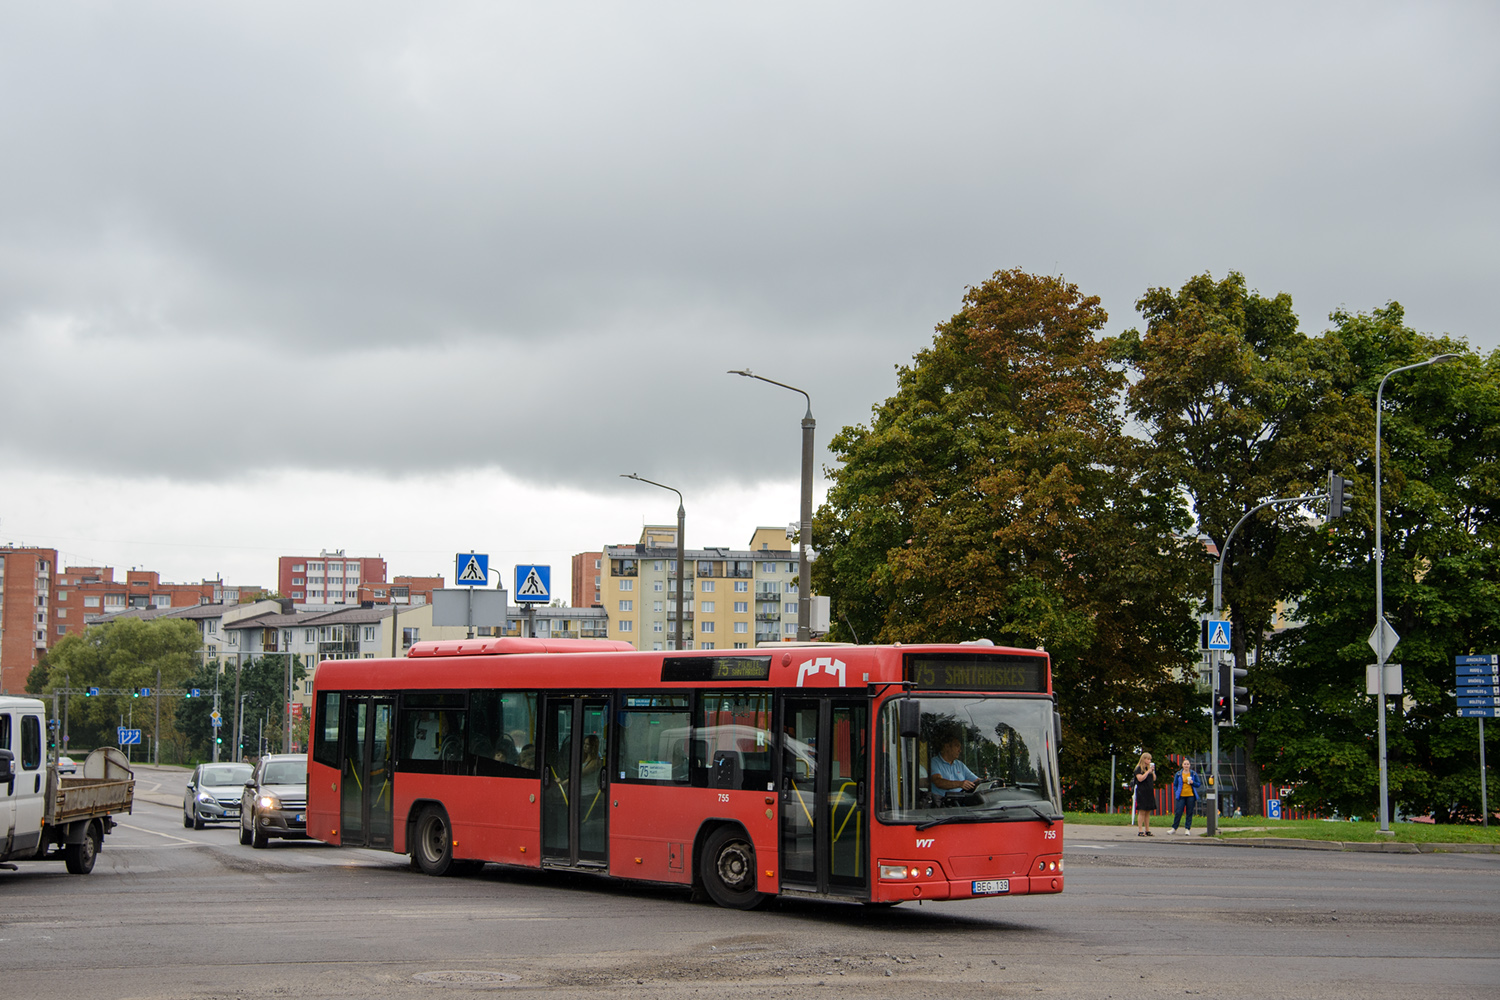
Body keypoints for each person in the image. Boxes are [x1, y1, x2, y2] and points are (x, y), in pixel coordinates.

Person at [929, 736, 981, 802]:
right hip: (941, 803)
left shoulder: (959, 764)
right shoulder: (934, 762)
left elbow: (976, 781)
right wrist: (960, 784)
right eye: (957, 746)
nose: (960, 750)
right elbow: (938, 782)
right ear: (947, 746)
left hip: (960, 802)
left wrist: (986, 783)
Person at [1171, 759, 1202, 834]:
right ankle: (1174, 828)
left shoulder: (1193, 774)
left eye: (1187, 764)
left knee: (1189, 812)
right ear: (1182, 765)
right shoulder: (1178, 774)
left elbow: (1198, 784)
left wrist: (1192, 782)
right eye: (1185, 764)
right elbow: (1175, 785)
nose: (1186, 766)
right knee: (1178, 812)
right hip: (1181, 796)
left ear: (1190, 765)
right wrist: (1176, 791)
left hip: (1190, 795)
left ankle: (1187, 829)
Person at [1131, 752, 1157, 836]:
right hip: (1142, 791)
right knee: (1142, 811)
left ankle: (1147, 829)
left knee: (1148, 811)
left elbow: (1154, 779)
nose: (1149, 761)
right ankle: (1140, 830)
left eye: (1150, 759)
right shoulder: (1139, 769)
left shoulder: (1149, 769)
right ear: (1144, 759)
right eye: (1148, 759)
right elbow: (1140, 779)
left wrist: (1152, 771)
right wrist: (1147, 772)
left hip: (1149, 791)